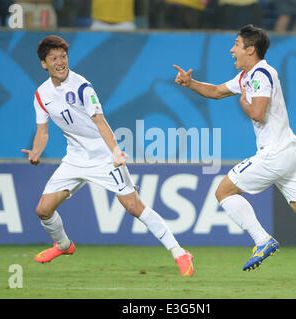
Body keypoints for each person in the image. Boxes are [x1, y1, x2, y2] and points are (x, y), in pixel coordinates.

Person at [173, 25, 296, 282]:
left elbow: (257, 113)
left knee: (223, 192)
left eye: (236, 44)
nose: (232, 50)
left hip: (274, 154)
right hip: (290, 152)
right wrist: (191, 83)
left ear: (250, 49)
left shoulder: (261, 74)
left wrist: (244, 103)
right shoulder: (248, 76)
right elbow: (217, 91)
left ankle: (262, 240)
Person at [22, 35, 194, 277]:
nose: (60, 62)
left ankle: (179, 252)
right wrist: (36, 152)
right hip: (75, 159)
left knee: (133, 206)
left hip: (104, 156)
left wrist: (115, 151)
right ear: (44, 64)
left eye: (63, 56)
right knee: (43, 210)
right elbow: (42, 131)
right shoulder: (41, 94)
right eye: (54, 58)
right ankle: (63, 245)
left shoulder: (82, 86)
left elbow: (100, 121)